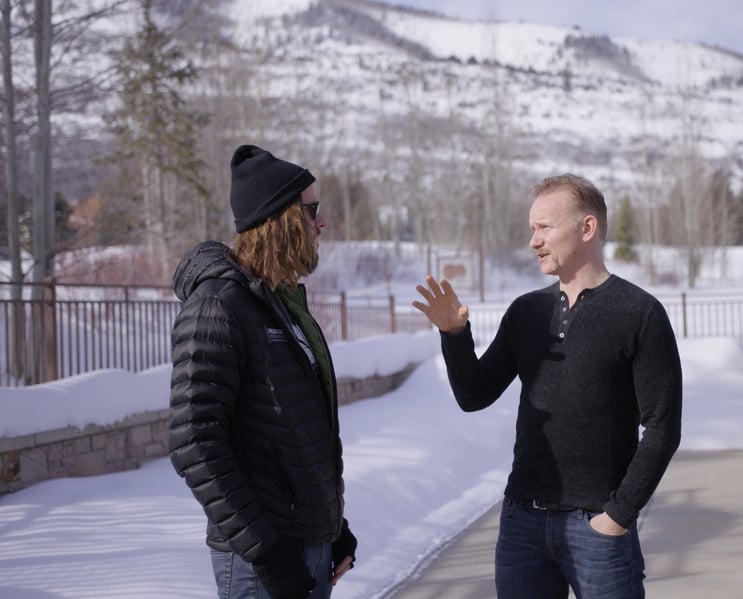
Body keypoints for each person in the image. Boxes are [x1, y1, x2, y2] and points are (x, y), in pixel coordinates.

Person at [413, 173, 682, 599]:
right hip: (522, 524)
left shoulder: (640, 313)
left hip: (599, 528)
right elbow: (475, 395)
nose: (533, 241)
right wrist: (454, 335)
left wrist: (618, 516)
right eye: (532, 229)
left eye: (544, 227)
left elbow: (663, 427)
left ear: (587, 228)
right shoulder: (527, 312)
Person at [169, 144, 357, 599]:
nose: (322, 222)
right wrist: (266, 551)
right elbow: (194, 441)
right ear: (279, 219)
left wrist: (333, 527)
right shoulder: (218, 305)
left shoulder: (282, 304)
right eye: (312, 209)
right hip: (260, 564)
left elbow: (297, 433)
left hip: (308, 546)